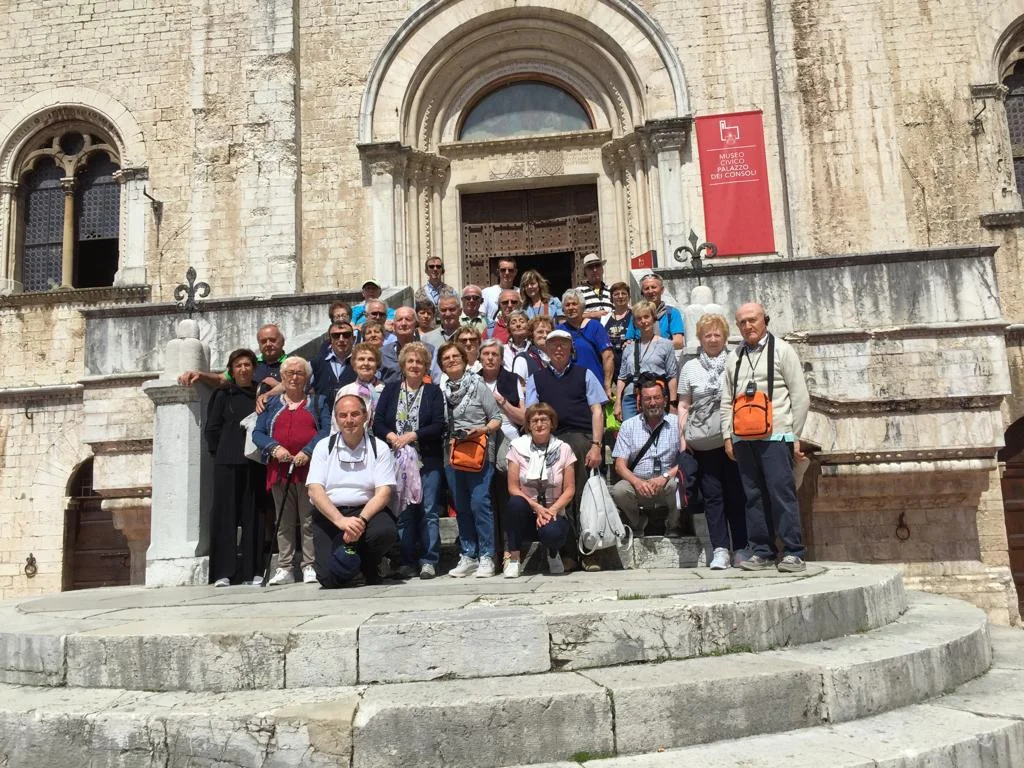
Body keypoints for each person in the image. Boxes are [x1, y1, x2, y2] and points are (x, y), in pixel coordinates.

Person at [722, 302, 810, 573]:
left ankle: (793, 551)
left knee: (781, 493)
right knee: (753, 496)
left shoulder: (783, 350)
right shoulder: (734, 357)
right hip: (743, 438)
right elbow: (727, 399)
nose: (748, 326)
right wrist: (728, 435)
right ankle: (762, 551)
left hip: (776, 434)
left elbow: (799, 396)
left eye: (753, 320)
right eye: (742, 322)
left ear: (765, 320)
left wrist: (795, 434)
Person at [525, 329, 607, 571]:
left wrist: (597, 445)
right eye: (553, 345)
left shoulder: (585, 374)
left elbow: (597, 411)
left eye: (563, 345)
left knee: (583, 496)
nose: (558, 349)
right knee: (558, 496)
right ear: (547, 350)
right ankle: (568, 552)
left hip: (581, 439)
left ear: (571, 349)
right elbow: (532, 414)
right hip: (550, 440)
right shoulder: (536, 378)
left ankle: (590, 552)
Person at [252, 356, 331, 585]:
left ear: (306, 378)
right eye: (289, 373)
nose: (294, 377)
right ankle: (285, 567)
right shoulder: (271, 404)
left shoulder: (318, 402)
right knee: (283, 521)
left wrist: (307, 451)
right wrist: (273, 448)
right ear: (283, 377)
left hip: (309, 471)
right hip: (280, 469)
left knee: (308, 520)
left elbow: (326, 429)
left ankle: (309, 565)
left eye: (299, 373)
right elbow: (258, 433)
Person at [307, 394, 399, 587]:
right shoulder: (323, 447)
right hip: (331, 515)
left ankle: (370, 565)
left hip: (366, 512)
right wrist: (340, 521)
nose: (349, 420)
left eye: (355, 414)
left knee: (385, 532)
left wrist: (360, 521)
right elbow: (315, 491)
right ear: (336, 419)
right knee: (328, 580)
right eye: (343, 415)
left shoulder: (379, 447)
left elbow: (383, 492)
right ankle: (353, 569)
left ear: (365, 417)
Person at [679, 313, 747, 570]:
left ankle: (741, 547)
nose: (713, 339)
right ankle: (720, 549)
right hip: (704, 442)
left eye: (717, 334)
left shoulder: (736, 360)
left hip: (734, 438)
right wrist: (683, 438)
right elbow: (683, 404)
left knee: (737, 494)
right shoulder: (690, 367)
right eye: (707, 335)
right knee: (712, 496)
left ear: (725, 336)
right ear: (700, 338)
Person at [373, 342, 446, 580]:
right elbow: (379, 422)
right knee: (404, 511)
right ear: (403, 365)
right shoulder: (391, 390)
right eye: (410, 361)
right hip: (397, 461)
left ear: (426, 367)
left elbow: (438, 425)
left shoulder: (434, 392)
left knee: (428, 511)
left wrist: (413, 435)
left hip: (426, 460)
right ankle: (406, 561)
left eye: (420, 362)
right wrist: (391, 435)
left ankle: (429, 560)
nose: (415, 366)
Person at [439, 341, 503, 578]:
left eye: (456, 356)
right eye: (446, 358)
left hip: (477, 450)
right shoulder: (441, 390)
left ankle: (487, 555)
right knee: (462, 506)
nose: (452, 360)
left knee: (479, 503)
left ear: (465, 360)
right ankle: (469, 554)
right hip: (451, 452)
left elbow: (496, 418)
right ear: (441, 365)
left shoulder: (478, 386)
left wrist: (480, 430)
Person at [204, 348, 264, 587]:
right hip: (226, 461)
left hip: (254, 461)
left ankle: (253, 571)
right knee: (225, 516)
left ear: (253, 368)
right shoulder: (222, 394)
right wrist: (219, 452)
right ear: (231, 370)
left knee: (254, 515)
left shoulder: (261, 393)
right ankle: (223, 572)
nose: (243, 369)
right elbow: (212, 429)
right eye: (238, 365)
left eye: (247, 365)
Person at [503, 403, 575, 577]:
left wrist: (552, 510)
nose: (539, 424)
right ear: (528, 425)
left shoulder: (564, 448)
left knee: (553, 532)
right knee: (514, 504)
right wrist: (536, 508)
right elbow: (513, 487)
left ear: (552, 423)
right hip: (528, 511)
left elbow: (570, 489)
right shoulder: (517, 447)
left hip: (554, 512)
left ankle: (552, 553)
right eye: (534, 420)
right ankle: (514, 559)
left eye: (544, 420)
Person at [611, 378, 683, 537]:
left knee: (678, 483)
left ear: (664, 400)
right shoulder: (628, 426)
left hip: (665, 484)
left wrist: (664, 477)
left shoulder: (677, 423)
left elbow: (686, 459)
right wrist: (637, 482)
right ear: (640, 402)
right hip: (639, 485)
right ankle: (637, 523)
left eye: (656, 398)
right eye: (647, 399)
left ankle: (673, 525)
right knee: (619, 491)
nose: (652, 403)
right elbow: (619, 466)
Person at [615, 300, 679, 423]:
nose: (643, 321)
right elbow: (622, 378)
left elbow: (672, 376)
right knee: (632, 435)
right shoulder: (628, 348)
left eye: (646, 317)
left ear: (653, 318)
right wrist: (617, 403)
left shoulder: (666, 345)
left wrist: (672, 403)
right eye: (639, 319)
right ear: (635, 322)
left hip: (655, 396)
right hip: (631, 397)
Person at [178, 323, 287, 393]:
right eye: (263, 341)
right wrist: (200, 374)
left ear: (282, 342)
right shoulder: (251, 364)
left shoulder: (293, 365)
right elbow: (221, 380)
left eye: (272, 340)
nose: (268, 344)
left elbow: (302, 392)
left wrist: (280, 387)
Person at [559, 289, 614, 399]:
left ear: (582, 307)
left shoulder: (595, 327)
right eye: (567, 305)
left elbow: (608, 357)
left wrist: (607, 385)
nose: (571, 307)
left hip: (595, 385)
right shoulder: (559, 330)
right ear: (563, 309)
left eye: (574, 304)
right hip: (568, 386)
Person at [380, 306, 437, 385]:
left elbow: (435, 378)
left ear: (415, 324)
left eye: (408, 319)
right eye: (399, 320)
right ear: (394, 325)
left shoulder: (429, 350)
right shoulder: (383, 353)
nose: (403, 323)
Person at [626, 273, 684, 350]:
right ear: (642, 293)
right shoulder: (636, 315)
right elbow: (629, 341)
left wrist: (651, 347)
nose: (650, 291)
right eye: (646, 288)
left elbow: (678, 343)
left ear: (662, 290)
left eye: (654, 287)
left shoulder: (672, 313)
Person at [309, 321, 357, 405]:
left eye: (346, 335)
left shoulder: (361, 362)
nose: (341, 339)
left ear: (353, 339)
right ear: (330, 340)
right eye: (336, 336)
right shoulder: (316, 363)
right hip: (323, 416)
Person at [337, 342, 385, 417]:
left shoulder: (385, 390)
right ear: (354, 365)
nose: (366, 363)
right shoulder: (345, 392)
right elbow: (336, 425)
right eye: (361, 359)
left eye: (371, 359)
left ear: (377, 365)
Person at [603, 281, 633, 379]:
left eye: (623, 293)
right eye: (616, 294)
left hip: (630, 365)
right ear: (611, 298)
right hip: (611, 366)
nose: (620, 296)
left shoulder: (635, 315)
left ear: (629, 296)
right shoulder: (604, 319)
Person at [576, 253, 613, 320]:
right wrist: (592, 315)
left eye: (597, 266)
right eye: (590, 267)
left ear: (602, 269)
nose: (595, 270)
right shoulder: (578, 292)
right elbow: (573, 316)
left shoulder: (611, 290)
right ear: (585, 272)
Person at [515, 315, 553, 379]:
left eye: (548, 332)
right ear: (532, 335)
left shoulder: (557, 359)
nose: (545, 335)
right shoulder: (523, 359)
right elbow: (517, 387)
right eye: (540, 332)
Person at [503, 310, 532, 374]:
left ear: (528, 326)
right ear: (509, 328)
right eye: (513, 323)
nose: (518, 324)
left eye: (522, 322)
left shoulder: (535, 348)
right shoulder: (503, 350)